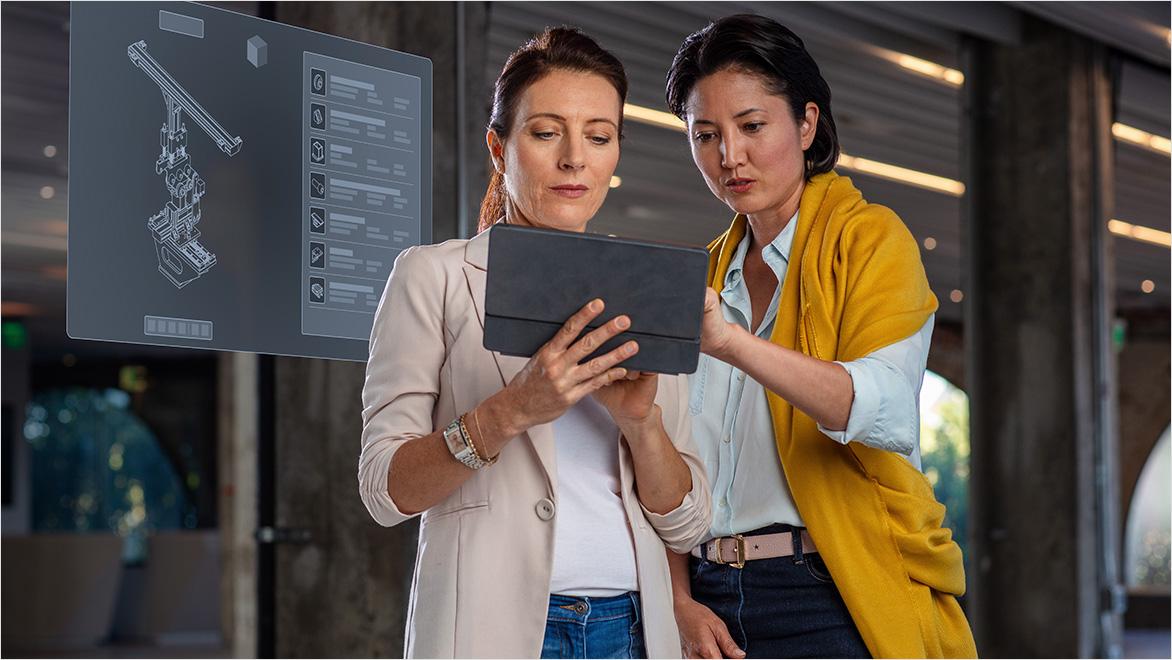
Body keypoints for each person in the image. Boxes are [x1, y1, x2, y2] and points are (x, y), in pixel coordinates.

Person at [358, 27, 711, 659]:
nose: (575, 158)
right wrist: (508, 413)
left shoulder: (650, 293)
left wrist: (641, 426)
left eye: (599, 137)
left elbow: (686, 520)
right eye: (547, 132)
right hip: (493, 631)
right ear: (499, 147)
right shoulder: (433, 277)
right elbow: (385, 491)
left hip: (632, 631)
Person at [661, 14, 978, 659]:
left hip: (827, 593)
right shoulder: (700, 277)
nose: (730, 156)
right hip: (705, 598)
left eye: (752, 126)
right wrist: (678, 599)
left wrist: (733, 344)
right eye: (706, 135)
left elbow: (882, 409)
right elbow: (665, 453)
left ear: (806, 125)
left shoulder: (871, 242)